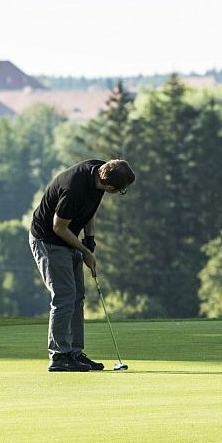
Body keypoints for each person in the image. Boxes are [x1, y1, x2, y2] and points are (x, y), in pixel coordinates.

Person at [29, 158, 135, 372]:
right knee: (64, 296)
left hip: (69, 238)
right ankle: (59, 356)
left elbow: (89, 210)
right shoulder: (74, 187)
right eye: (119, 191)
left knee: (77, 297)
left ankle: (74, 353)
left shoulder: (100, 171)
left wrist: (90, 240)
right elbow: (58, 227)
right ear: (110, 187)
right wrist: (85, 252)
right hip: (49, 240)